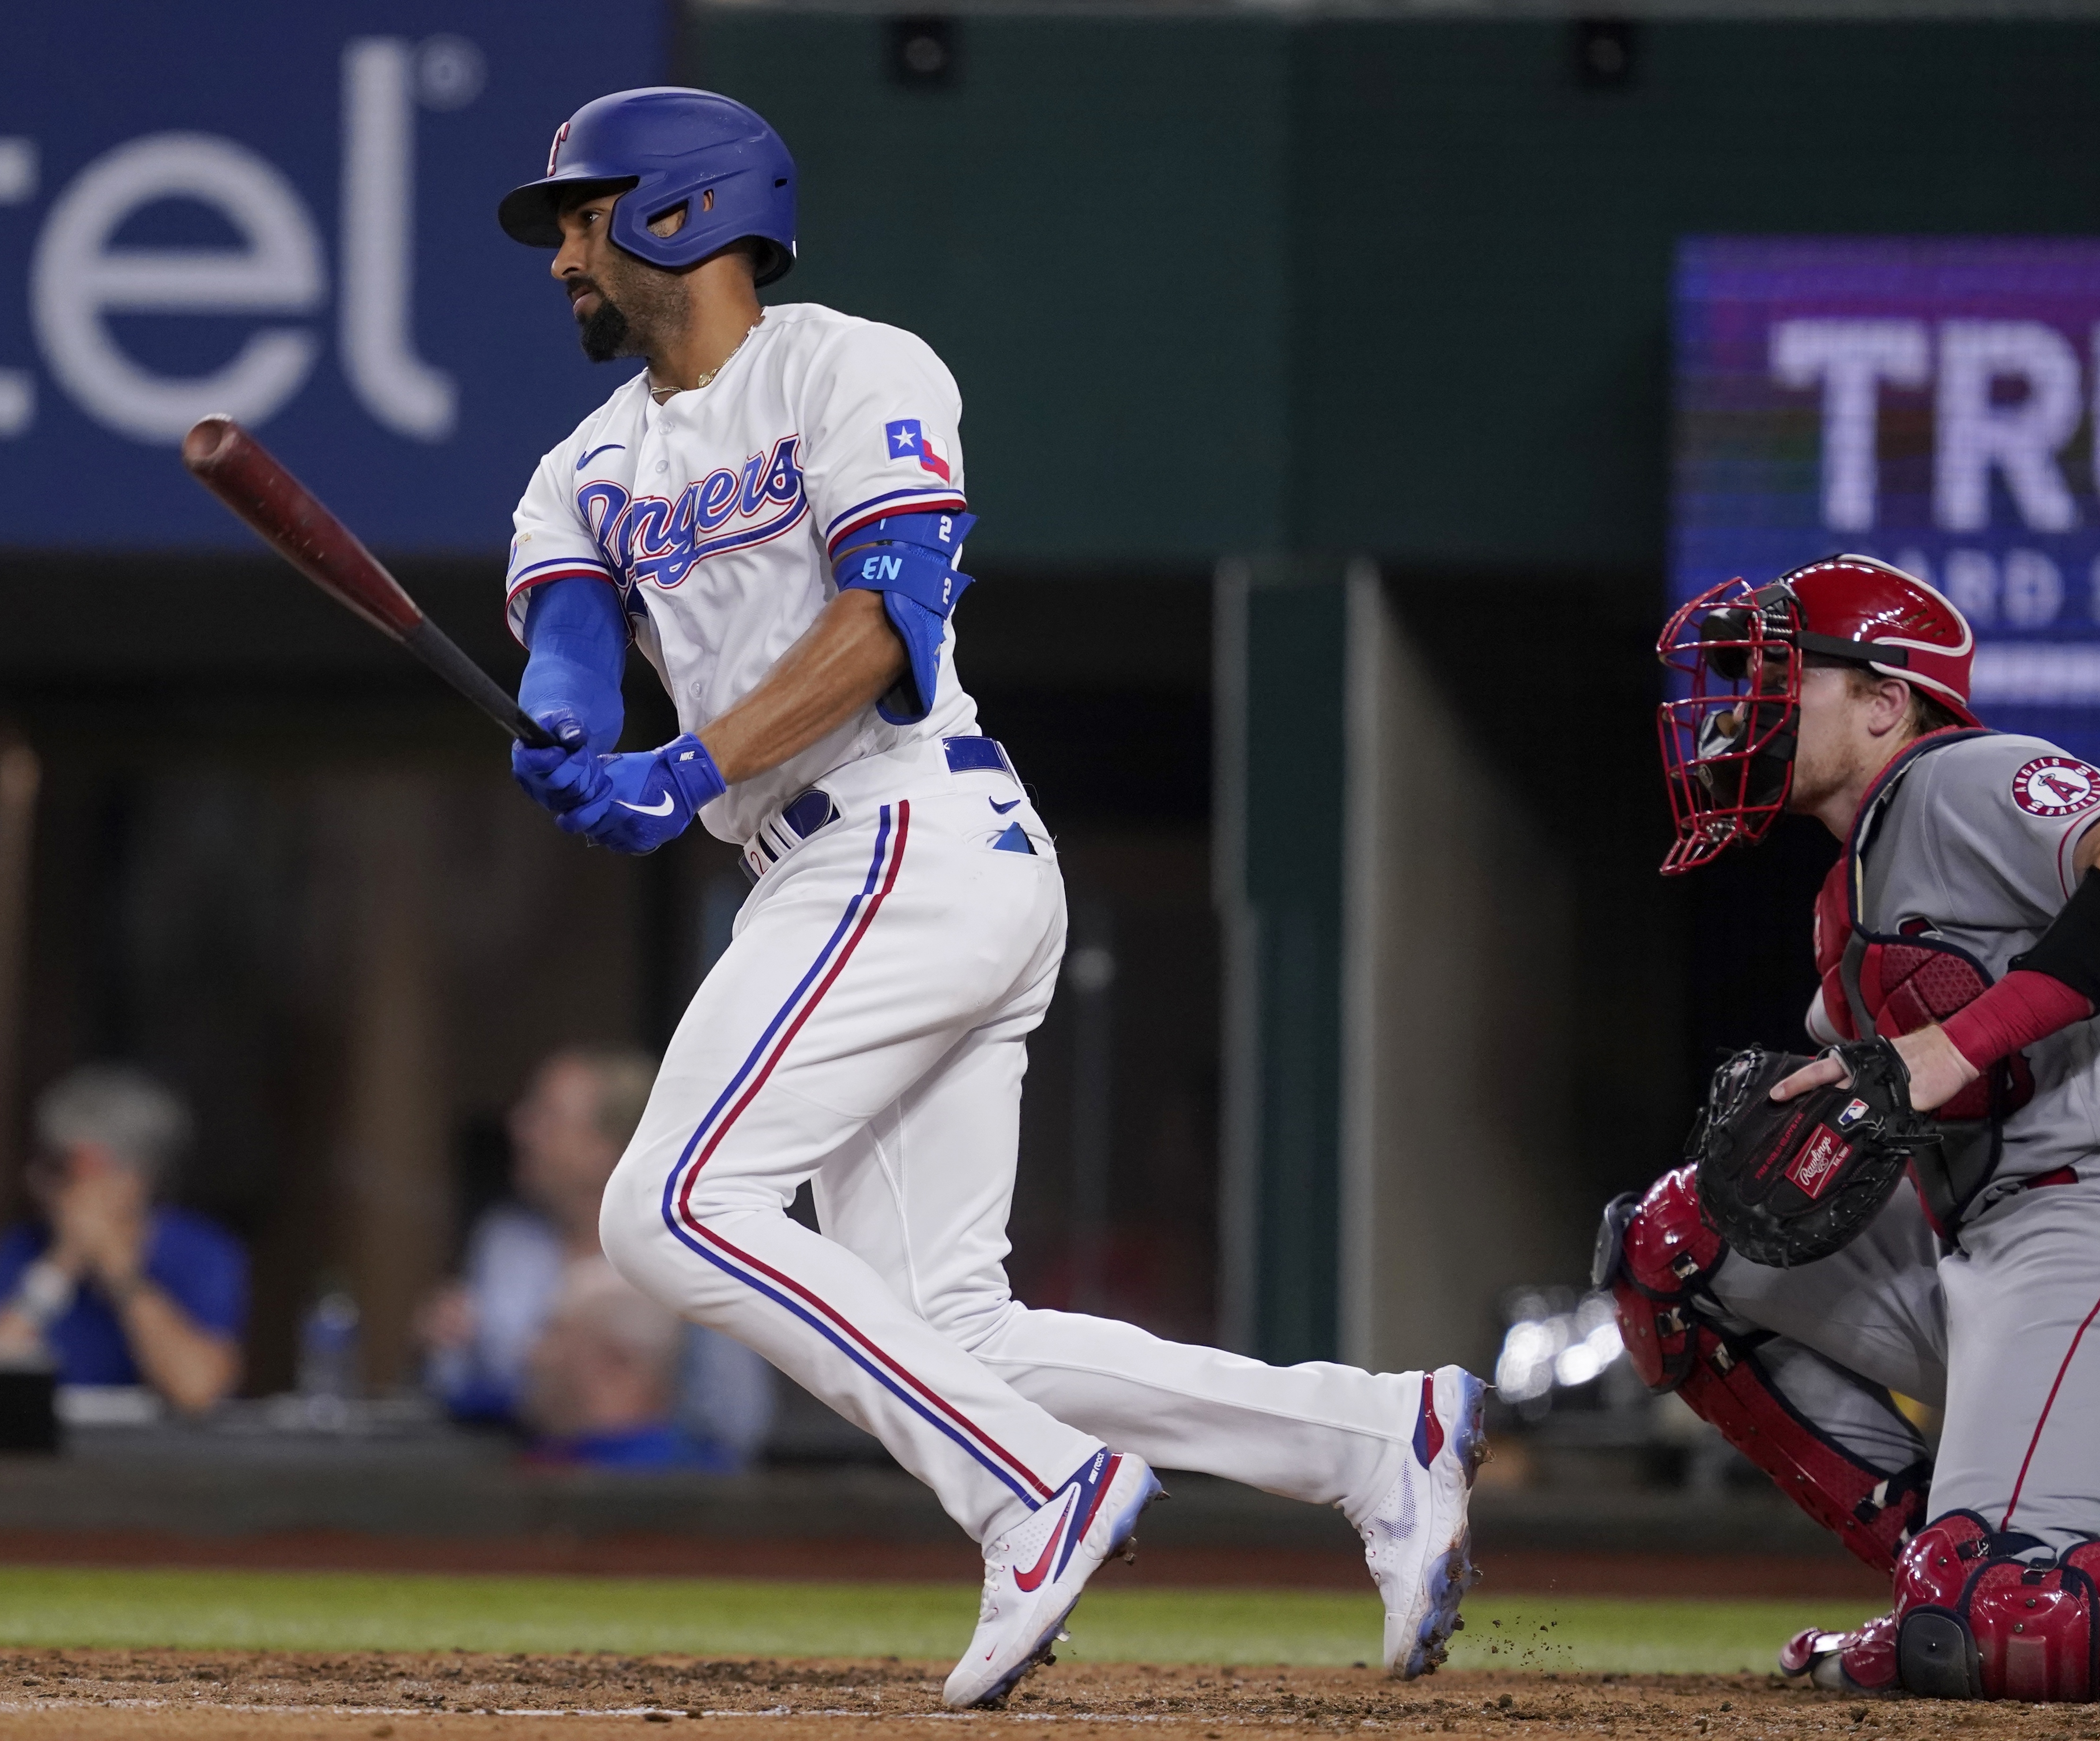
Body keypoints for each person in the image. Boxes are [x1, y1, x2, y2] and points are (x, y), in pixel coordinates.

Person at [492, 87, 1485, 1708]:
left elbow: (888, 632)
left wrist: (680, 769)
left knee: (664, 1208)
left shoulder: (855, 366)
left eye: (580, 220)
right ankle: (1383, 1437)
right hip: (831, 869)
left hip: (906, 837)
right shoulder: (583, 468)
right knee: (950, 1322)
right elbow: (571, 652)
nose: (560, 262)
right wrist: (565, 735)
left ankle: (1029, 1486)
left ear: (678, 209)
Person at [1602, 555, 2100, 1701]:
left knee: (2012, 1619)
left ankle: (1975, 1600)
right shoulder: (1852, 890)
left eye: (1779, 676)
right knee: (1678, 1250)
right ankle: (1944, 1580)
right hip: (2001, 1241)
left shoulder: (1957, 774)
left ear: (1883, 700)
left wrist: (1953, 1048)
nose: (1742, 709)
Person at [420, 1046, 776, 1462]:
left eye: (547, 1116)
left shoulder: (696, 1256)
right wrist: (450, 1349)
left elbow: (739, 1422)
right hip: (525, 1485)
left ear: (606, 1148)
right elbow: (470, 1385)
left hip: (661, 1495)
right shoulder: (508, 1245)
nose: (521, 1129)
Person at [0, 1066, 245, 1416]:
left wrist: (119, 1271)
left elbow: (196, 1390)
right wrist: (60, 1267)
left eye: (60, 1168)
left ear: (131, 1180)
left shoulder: (201, 1252)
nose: (36, 1180)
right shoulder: (23, 1246)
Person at [518, 1257, 732, 1472]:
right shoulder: (722, 1472)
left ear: (614, 1364)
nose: (533, 1354)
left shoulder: (557, 1478)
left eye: (554, 1331)